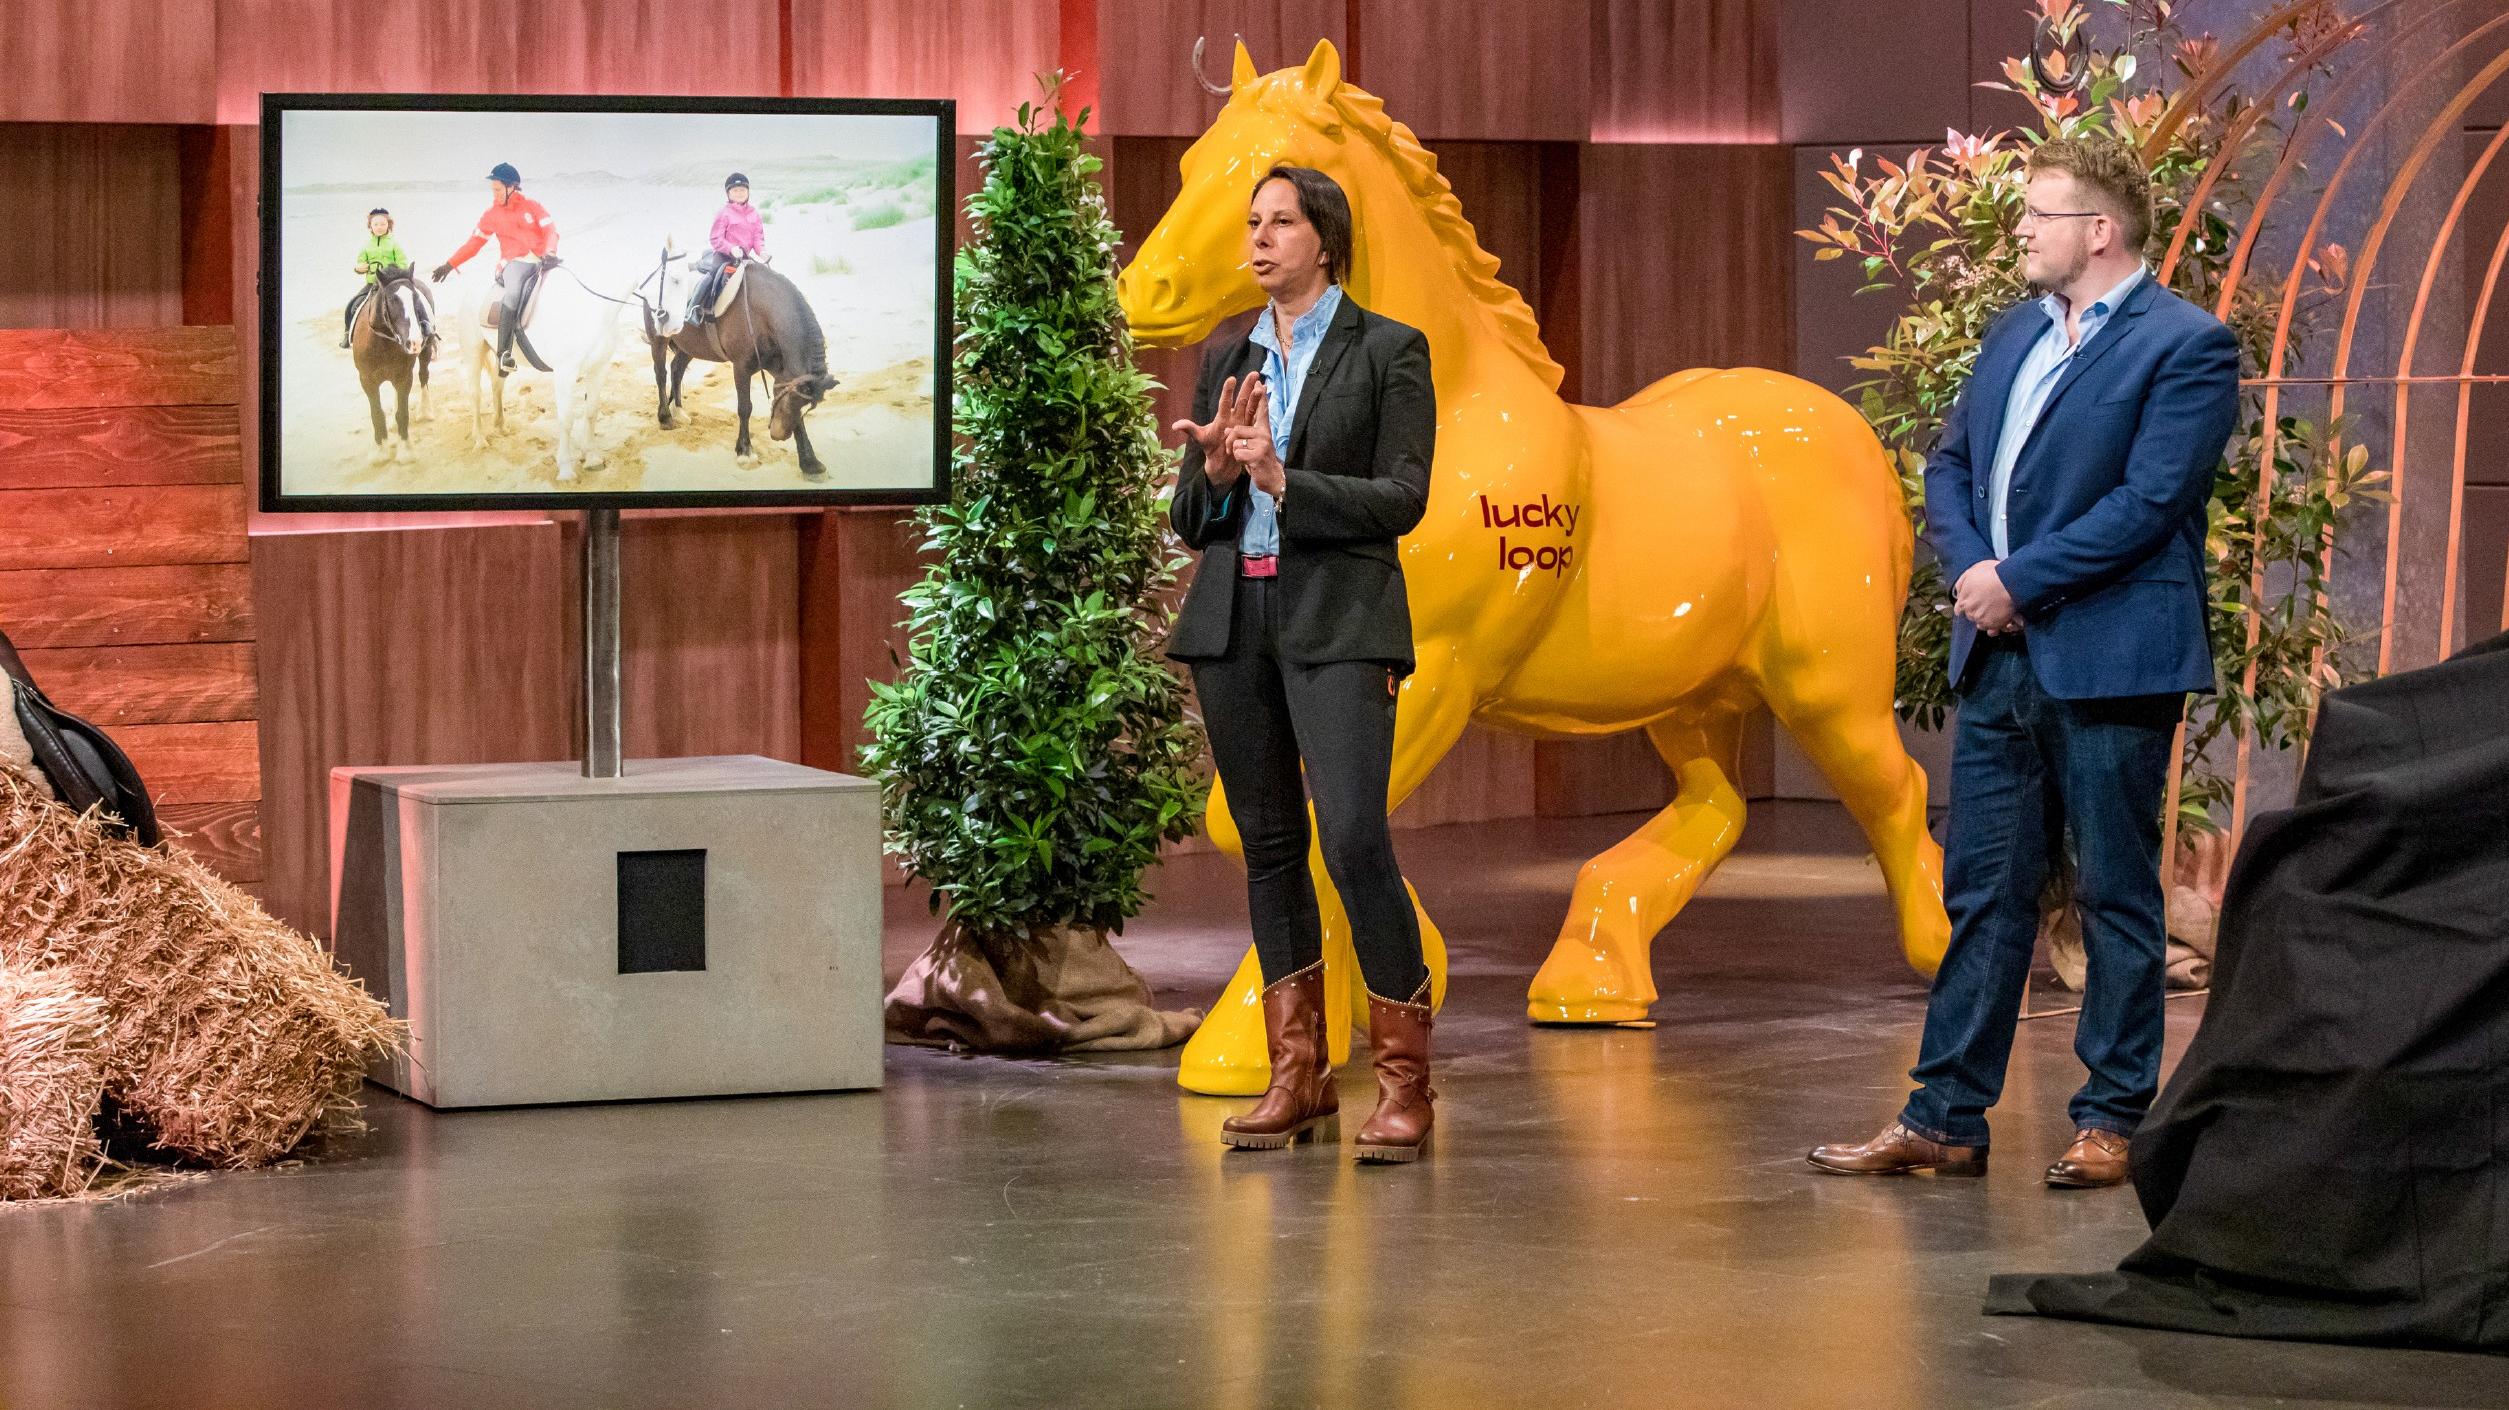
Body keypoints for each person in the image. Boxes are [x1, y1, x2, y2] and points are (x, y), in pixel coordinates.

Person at [1810, 136, 2242, 1188]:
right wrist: (1972, 572)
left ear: (2098, 231)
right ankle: (1945, 1116)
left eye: (2039, 214)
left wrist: (2020, 579)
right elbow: (1951, 462)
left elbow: (2148, 505)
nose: (2022, 231)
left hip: (2107, 657)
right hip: (1998, 653)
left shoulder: (2185, 346)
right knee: (1983, 893)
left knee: (2113, 894)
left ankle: (2110, 1117)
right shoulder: (2015, 334)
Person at [1165, 165, 1438, 1164]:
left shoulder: (1388, 352)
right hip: (1237, 621)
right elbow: (1193, 522)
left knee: (1356, 839)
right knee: (1270, 845)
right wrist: (1218, 477)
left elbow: (1403, 498)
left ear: (1324, 239)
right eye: (1253, 222)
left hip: (1340, 620)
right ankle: (1299, 1076)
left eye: (1281, 221)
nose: (1260, 237)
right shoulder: (1226, 351)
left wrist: (1289, 477)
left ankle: (1406, 1083)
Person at [430, 162, 558, 375]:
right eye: (493, 190)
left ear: (512, 187)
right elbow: (474, 244)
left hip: (543, 260)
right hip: (514, 264)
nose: (495, 194)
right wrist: (450, 264)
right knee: (513, 294)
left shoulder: (533, 207)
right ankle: (504, 354)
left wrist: (551, 252)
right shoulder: (491, 215)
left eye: (498, 190)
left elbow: (551, 231)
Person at [688, 172, 768, 329]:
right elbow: (715, 239)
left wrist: (762, 251)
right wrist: (731, 249)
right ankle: (694, 309)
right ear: (729, 193)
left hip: (744, 257)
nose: (739, 193)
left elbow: (758, 237)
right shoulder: (723, 213)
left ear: (748, 192)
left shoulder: (754, 214)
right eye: (735, 190)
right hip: (724, 256)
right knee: (713, 275)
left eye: (743, 190)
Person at [340, 208, 427, 349]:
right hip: (373, 284)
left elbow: (403, 263)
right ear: (370, 226)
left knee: (414, 300)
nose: (379, 227)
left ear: (389, 225)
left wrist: (392, 272)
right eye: (376, 224)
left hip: (392, 285)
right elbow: (361, 263)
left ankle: (426, 325)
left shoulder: (394, 244)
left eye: (382, 224)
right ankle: (348, 333)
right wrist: (358, 268)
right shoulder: (366, 246)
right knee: (353, 305)